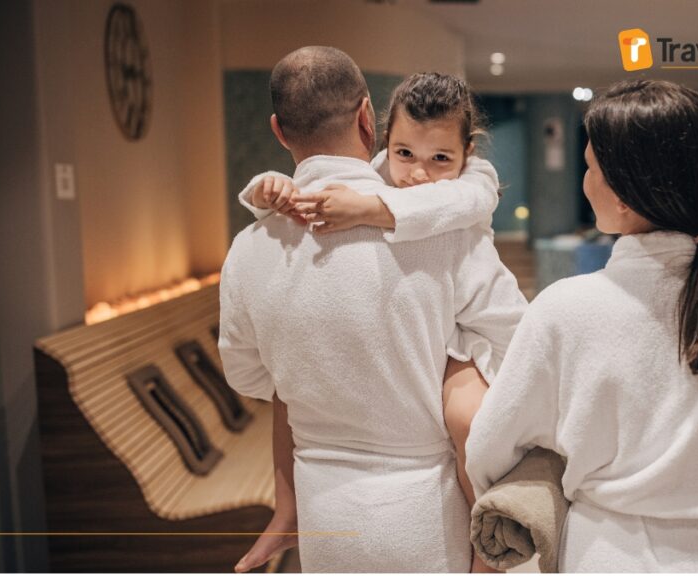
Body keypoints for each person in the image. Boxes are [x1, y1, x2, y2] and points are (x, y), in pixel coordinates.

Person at [465, 79, 698, 572]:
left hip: (603, 554)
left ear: (625, 194)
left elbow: (489, 449)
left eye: (590, 168)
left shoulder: (565, 309)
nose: (585, 183)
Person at [218, 46, 526, 572]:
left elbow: (251, 378)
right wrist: (462, 362)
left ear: (278, 130)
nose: (420, 174)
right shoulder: (449, 236)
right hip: (425, 520)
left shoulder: (248, 250)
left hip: (324, 522)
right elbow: (520, 340)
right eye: (407, 154)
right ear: (369, 119)